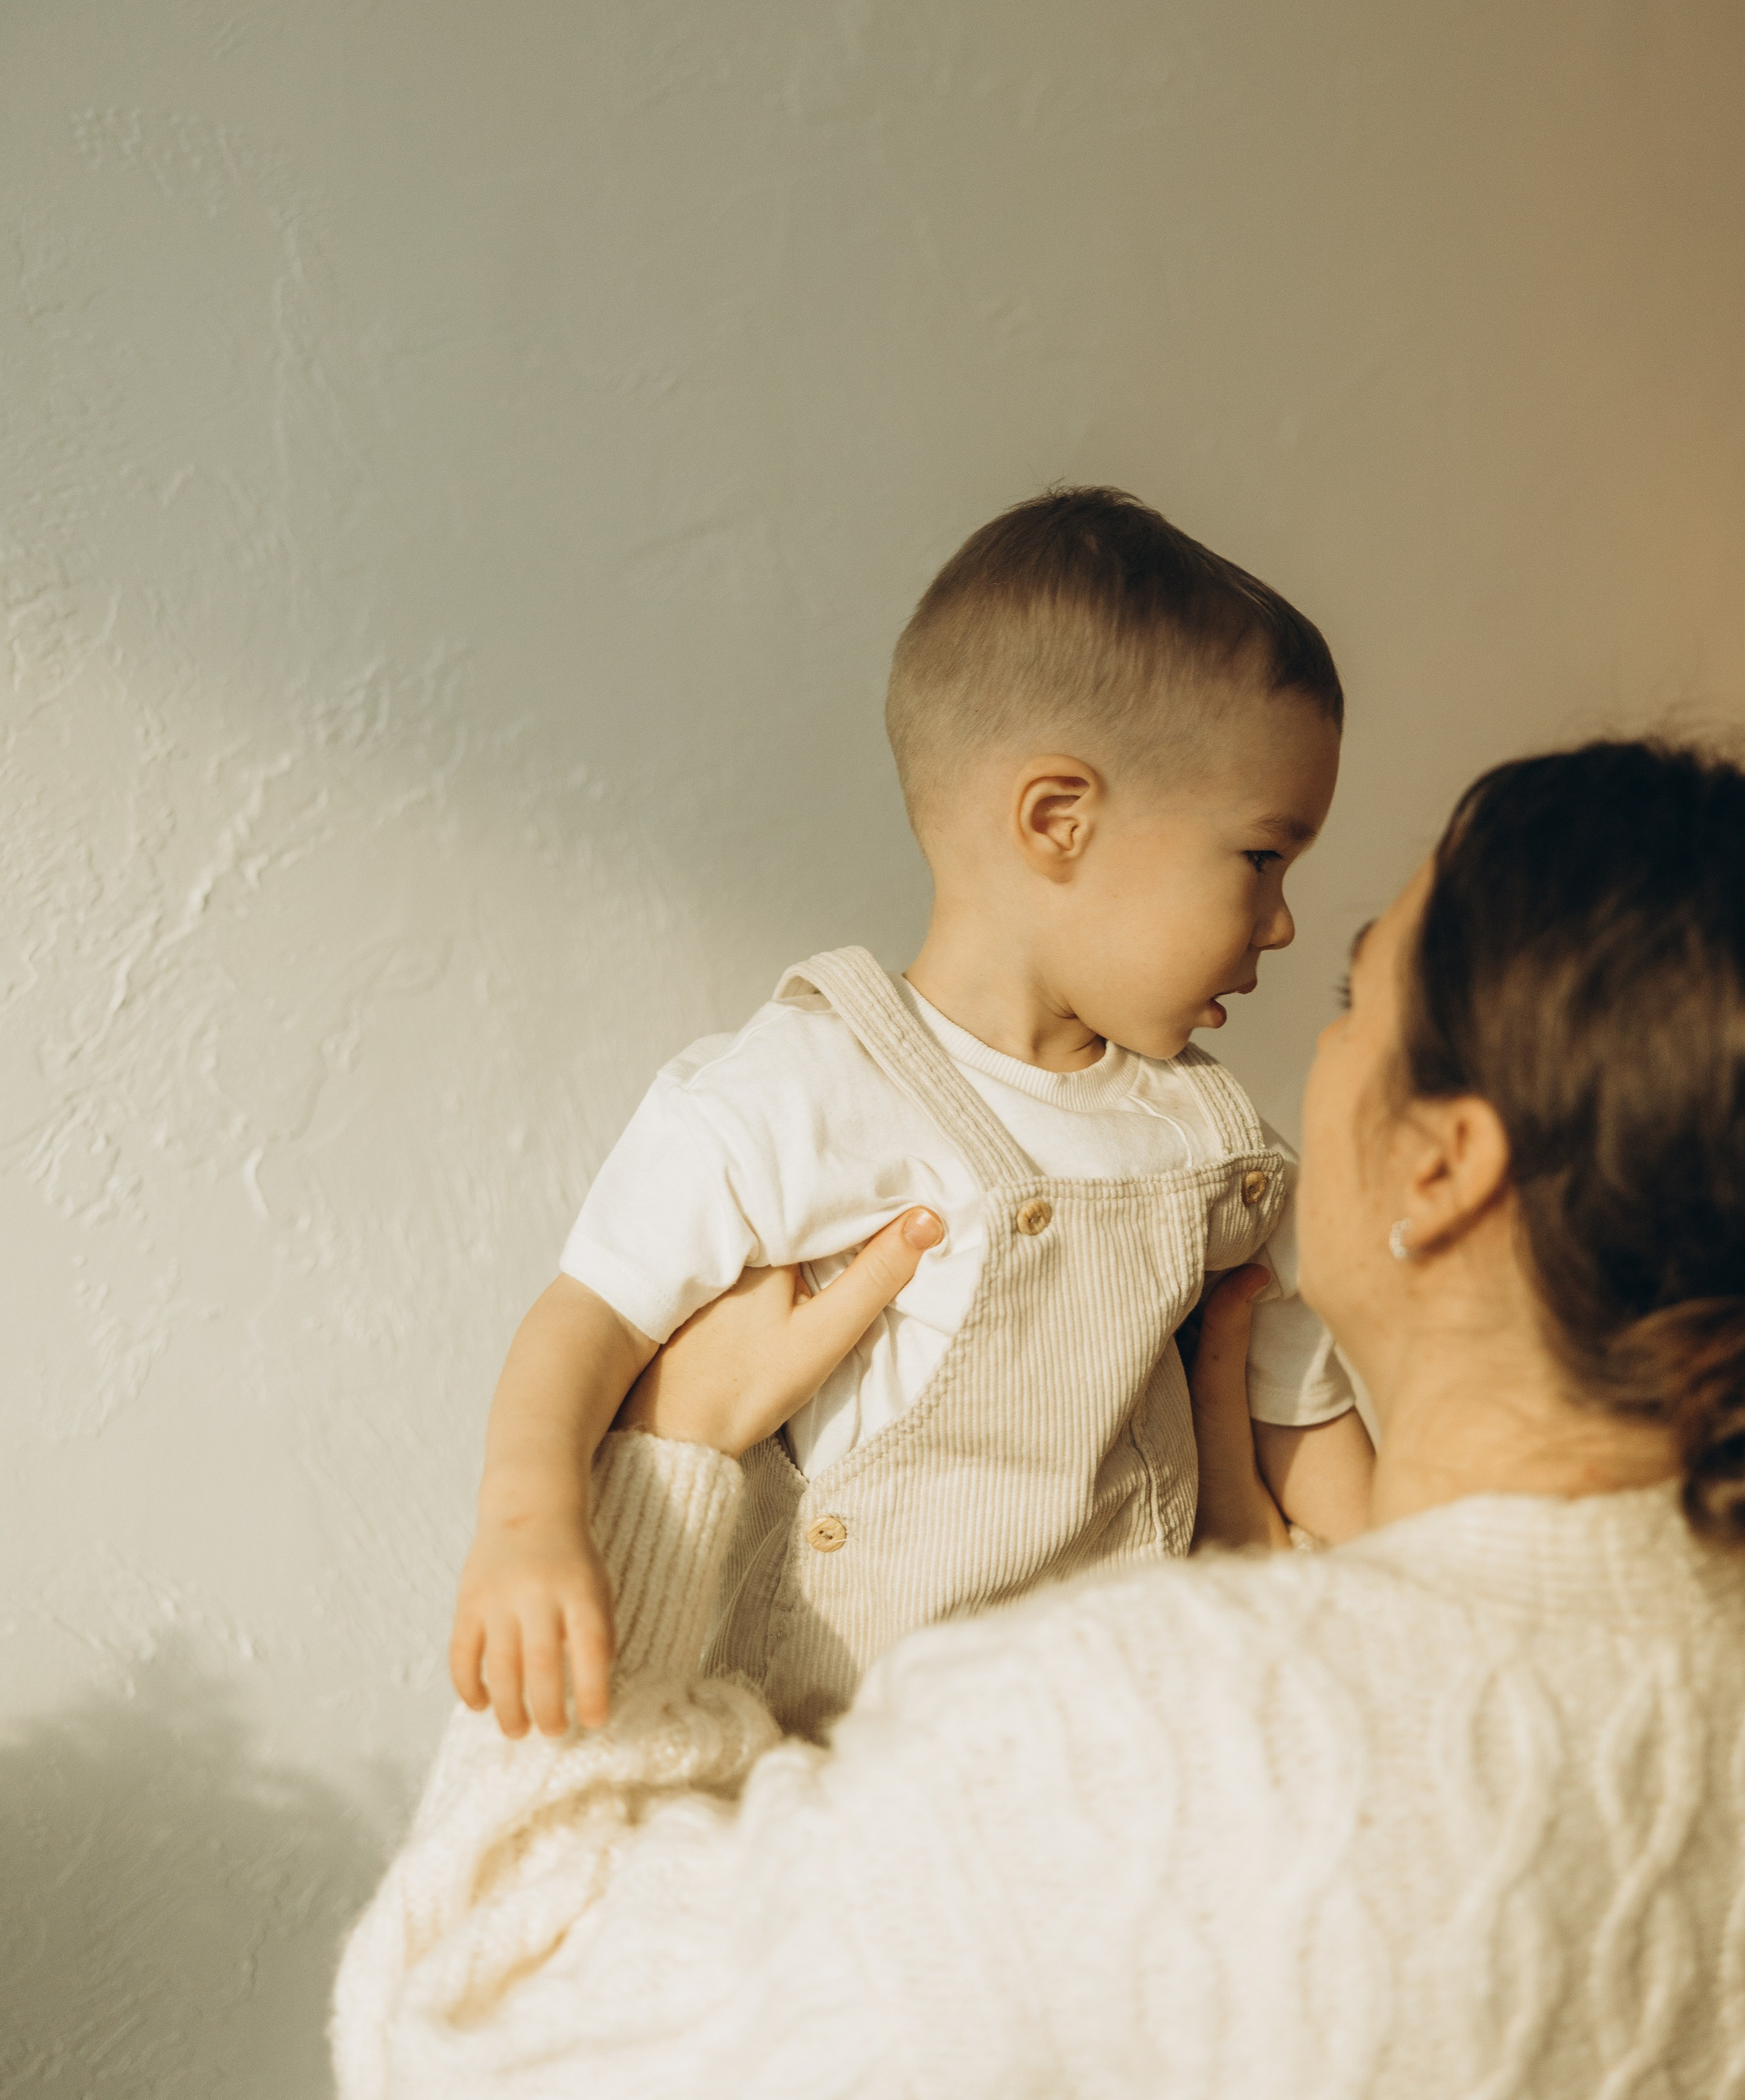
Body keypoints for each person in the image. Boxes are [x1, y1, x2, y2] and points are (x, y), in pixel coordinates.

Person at [335, 735, 1745, 2100]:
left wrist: (667, 1462)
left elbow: (466, 2072)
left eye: (1353, 997)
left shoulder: (1144, 1738)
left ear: (1442, 1169)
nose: (1292, 986)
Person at [451, 489, 1371, 1743]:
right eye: (1263, 857)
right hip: (828, 1743)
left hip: (1109, 1747)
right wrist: (530, 1525)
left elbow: (1302, 1419)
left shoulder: (1210, 1147)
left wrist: (1410, 1609)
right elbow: (590, 1317)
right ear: (1059, 820)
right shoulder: (807, 1086)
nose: (1285, 922)